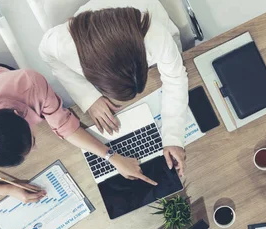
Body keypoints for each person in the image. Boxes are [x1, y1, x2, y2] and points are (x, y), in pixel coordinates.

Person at [0, 64, 156, 201]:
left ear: (19, 114)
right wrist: (7, 190)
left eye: (32, 140)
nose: (36, 146)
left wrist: (113, 157)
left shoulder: (31, 83)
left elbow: (65, 126)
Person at [39, 0, 188, 178]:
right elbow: (46, 53)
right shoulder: (63, 43)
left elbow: (175, 78)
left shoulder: (154, 33)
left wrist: (173, 137)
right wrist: (88, 97)